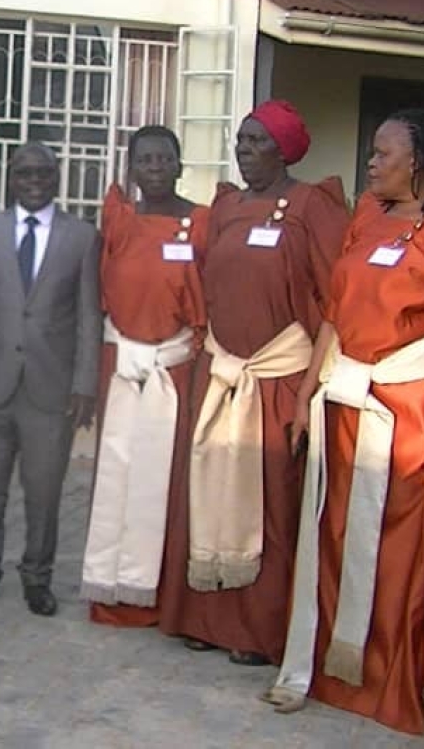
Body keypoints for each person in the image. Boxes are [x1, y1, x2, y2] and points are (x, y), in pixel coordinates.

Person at [263, 109, 424, 735]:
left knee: (396, 549)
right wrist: (306, 393)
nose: (370, 161)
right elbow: (334, 314)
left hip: (410, 413)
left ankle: (387, 683)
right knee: (333, 536)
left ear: (417, 161)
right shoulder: (365, 213)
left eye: (383, 152)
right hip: (342, 402)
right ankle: (331, 672)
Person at [174, 100, 350, 665]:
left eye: (257, 141)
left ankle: (257, 631)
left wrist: (311, 389)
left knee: (270, 504)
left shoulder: (311, 208)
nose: (244, 151)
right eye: (241, 140)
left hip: (277, 378)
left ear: (284, 149)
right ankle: (204, 617)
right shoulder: (226, 205)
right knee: (207, 491)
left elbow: (335, 299)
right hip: (222, 373)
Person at [0, 142, 100, 617]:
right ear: (10, 179)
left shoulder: (81, 237)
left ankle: (38, 576)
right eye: (24, 174)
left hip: (50, 388)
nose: (34, 181)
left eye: (44, 173)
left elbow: (88, 317)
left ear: (57, 179)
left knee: (44, 490)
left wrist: (84, 384)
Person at [80, 126, 208, 628]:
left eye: (164, 158)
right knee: (117, 470)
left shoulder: (201, 223)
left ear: (179, 164)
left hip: (174, 370)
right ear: (132, 168)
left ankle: (157, 594)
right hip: (122, 365)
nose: (155, 167)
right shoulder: (118, 218)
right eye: (145, 159)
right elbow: (96, 293)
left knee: (166, 481)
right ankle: (111, 589)